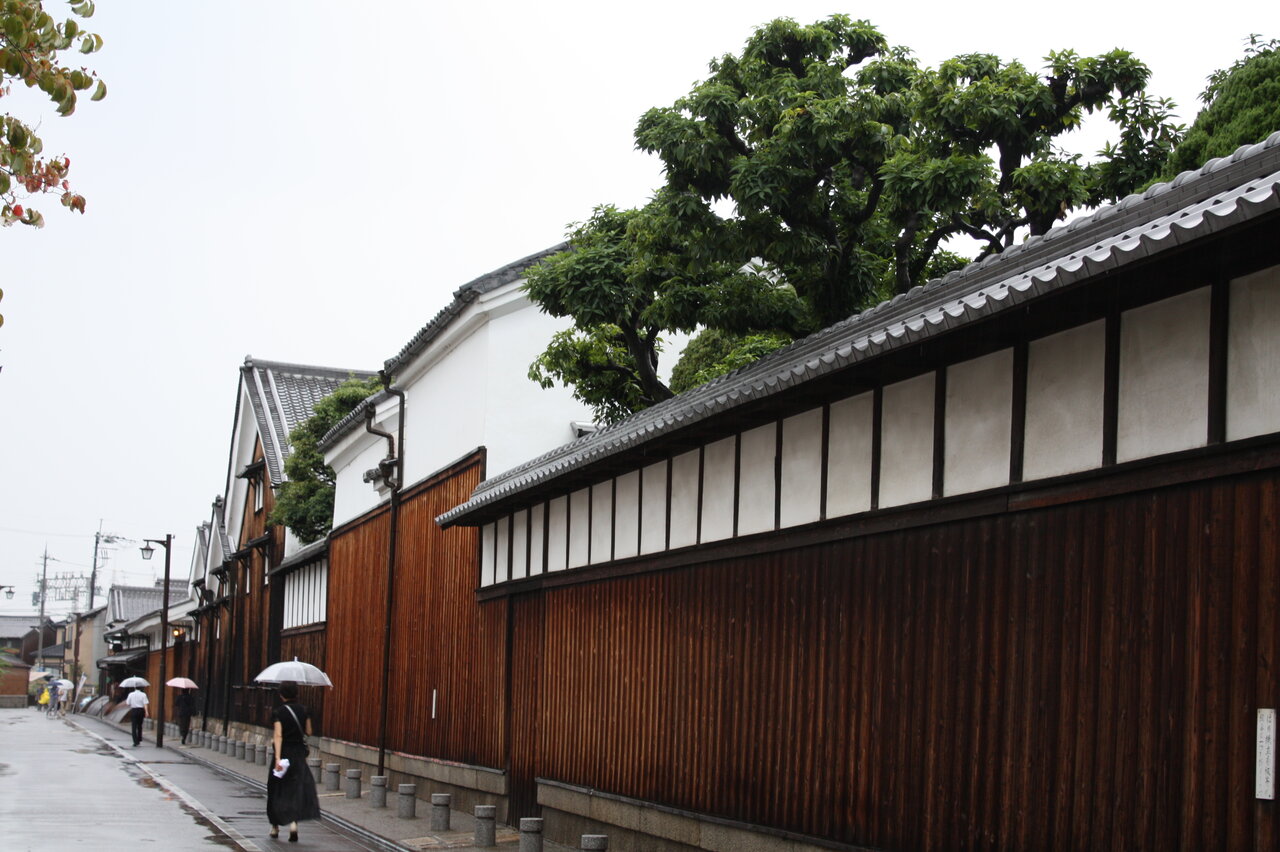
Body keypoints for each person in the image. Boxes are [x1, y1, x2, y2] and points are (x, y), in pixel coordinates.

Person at [267, 681, 320, 841]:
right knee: (296, 788)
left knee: (276, 788)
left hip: (283, 754)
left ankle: (275, 826)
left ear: (281, 695)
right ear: (296, 693)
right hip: (298, 754)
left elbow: (278, 735)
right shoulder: (304, 710)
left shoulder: (278, 712)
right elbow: (309, 731)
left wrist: (278, 758)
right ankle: (293, 824)